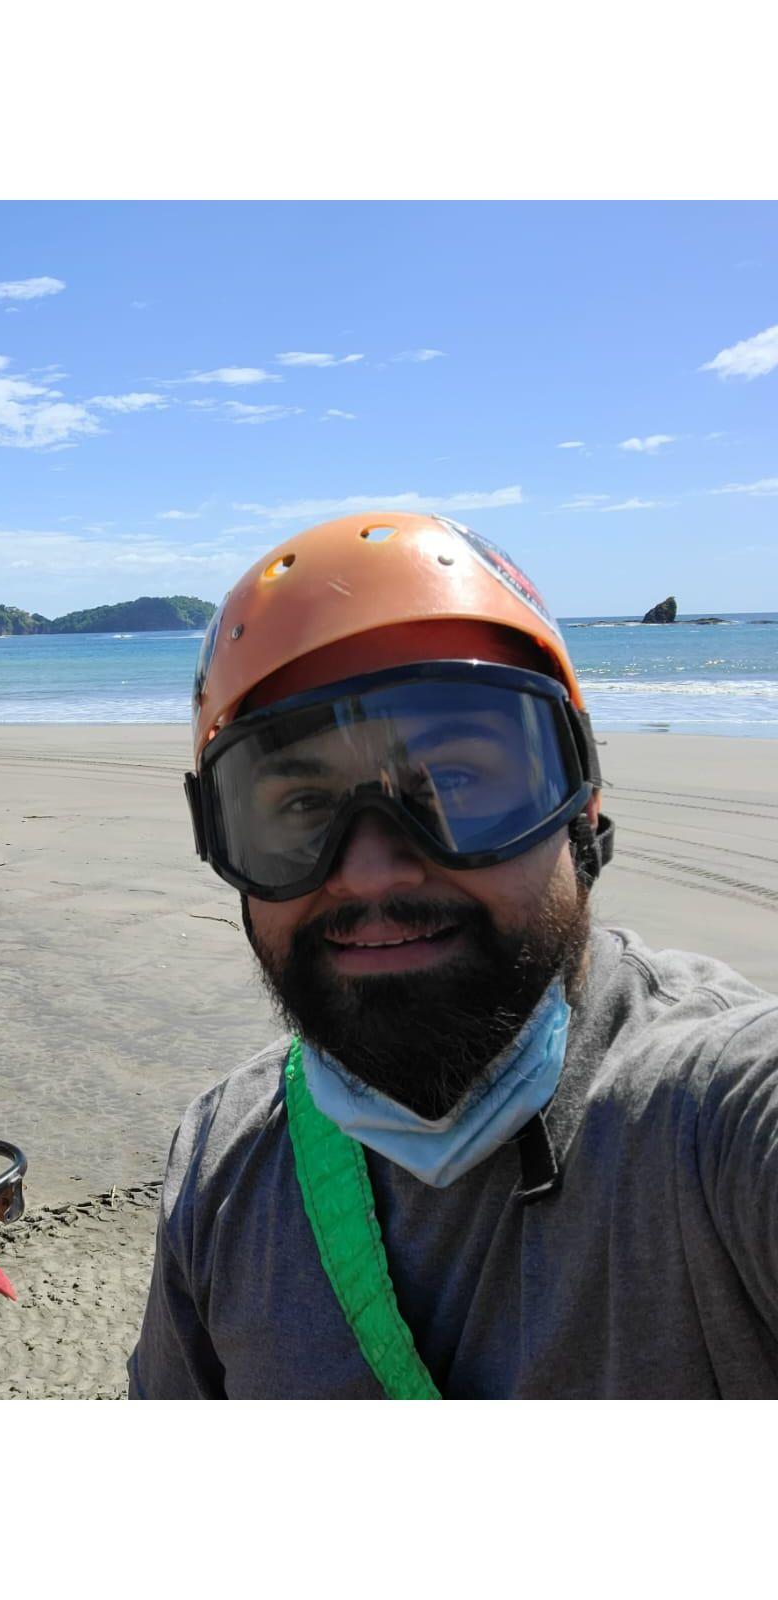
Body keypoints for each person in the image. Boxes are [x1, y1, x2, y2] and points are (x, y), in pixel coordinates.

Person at [128, 511, 778, 1399]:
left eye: (458, 782)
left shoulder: (714, 1120)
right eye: (300, 809)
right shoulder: (223, 1160)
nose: (369, 872)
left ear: (581, 805)